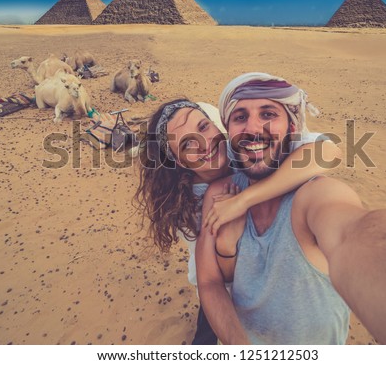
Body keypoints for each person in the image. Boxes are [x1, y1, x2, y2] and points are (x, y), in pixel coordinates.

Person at [196, 72, 386, 345]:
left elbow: (354, 234)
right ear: (229, 131)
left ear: (292, 128)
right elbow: (209, 283)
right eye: (240, 117)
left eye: (268, 114)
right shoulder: (221, 192)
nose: (253, 128)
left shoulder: (314, 194)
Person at [134, 97, 341, 344]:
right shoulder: (188, 205)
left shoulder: (243, 148)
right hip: (225, 283)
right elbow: (218, 276)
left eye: (203, 127)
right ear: (179, 161)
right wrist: (226, 245)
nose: (204, 144)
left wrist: (245, 199)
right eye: (188, 144)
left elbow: (328, 151)